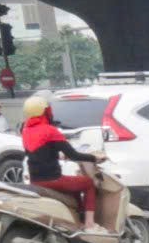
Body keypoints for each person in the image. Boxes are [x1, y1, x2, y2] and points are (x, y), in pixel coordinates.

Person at [18, 96, 96, 225]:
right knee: (88, 183)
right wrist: (94, 158)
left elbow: (33, 153)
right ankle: (90, 223)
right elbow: (74, 155)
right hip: (53, 180)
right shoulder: (50, 130)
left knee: (75, 184)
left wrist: (57, 155)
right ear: (45, 112)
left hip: (35, 180)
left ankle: (77, 217)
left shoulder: (25, 130)